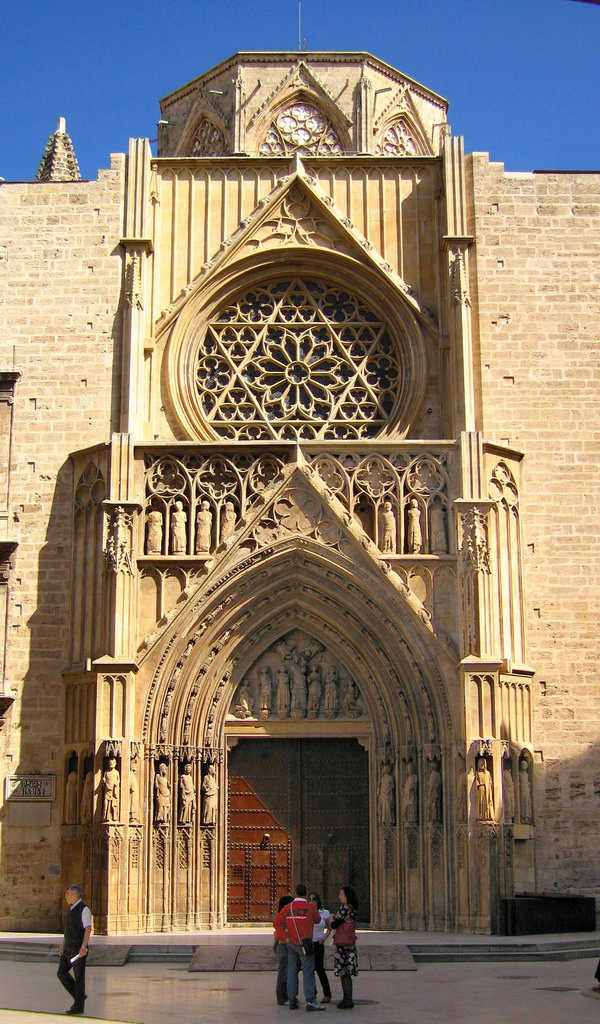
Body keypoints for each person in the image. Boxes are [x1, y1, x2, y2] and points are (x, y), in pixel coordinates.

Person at [273, 883, 324, 1012]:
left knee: (291, 971)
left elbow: (277, 923)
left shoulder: (288, 908)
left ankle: (292, 1000)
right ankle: (310, 1000)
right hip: (305, 944)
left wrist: (285, 937)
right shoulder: (310, 907)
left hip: (291, 944)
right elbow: (318, 920)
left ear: (295, 893)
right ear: (306, 894)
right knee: (308, 971)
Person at [57, 884, 91, 1015]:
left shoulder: (84, 909)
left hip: (78, 949)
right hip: (68, 948)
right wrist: (63, 944)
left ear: (75, 895)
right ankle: (79, 995)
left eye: (68, 894)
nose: (66, 897)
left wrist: (84, 946)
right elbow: (68, 930)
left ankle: (78, 1006)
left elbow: (88, 928)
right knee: (61, 973)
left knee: (79, 977)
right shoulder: (71, 908)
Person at [328, 886, 359, 1010]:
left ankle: (347, 1000)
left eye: (341, 894)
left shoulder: (344, 908)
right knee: (347, 973)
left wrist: (331, 919)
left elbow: (335, 924)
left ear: (346, 896)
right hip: (350, 944)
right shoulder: (352, 909)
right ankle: (348, 998)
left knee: (343, 972)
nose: (339, 896)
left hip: (342, 945)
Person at [309, 892, 331, 1004]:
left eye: (314, 899)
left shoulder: (324, 912)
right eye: (310, 899)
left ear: (318, 901)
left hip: (319, 943)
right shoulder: (307, 912)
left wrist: (324, 938)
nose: (312, 901)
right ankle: (312, 993)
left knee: (320, 969)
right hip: (309, 943)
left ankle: (327, 994)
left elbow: (329, 928)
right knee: (309, 970)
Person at [273, 894, 294, 1005]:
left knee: (286, 971)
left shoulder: (284, 914)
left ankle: (286, 995)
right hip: (284, 944)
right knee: (284, 971)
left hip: (283, 944)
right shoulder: (284, 915)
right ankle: (282, 997)